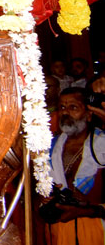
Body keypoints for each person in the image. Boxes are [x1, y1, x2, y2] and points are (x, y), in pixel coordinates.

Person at [44, 88, 105, 244]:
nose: (65, 112)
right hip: (58, 234)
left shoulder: (101, 146)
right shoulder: (49, 147)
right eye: (62, 107)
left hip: (97, 233)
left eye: (73, 107)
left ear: (89, 114)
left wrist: (85, 211)